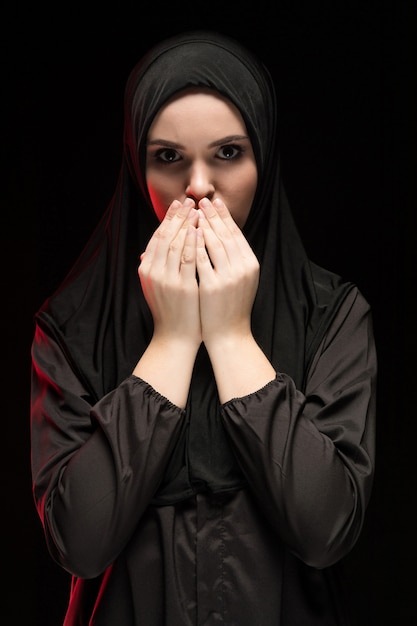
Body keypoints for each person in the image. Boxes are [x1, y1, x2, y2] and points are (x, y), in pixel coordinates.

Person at [30, 30, 377, 626]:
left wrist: (231, 337)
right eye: (168, 157)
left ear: (263, 160)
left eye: (227, 153)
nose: (196, 186)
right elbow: (80, 544)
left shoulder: (332, 314)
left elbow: (326, 530)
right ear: (136, 163)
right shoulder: (71, 327)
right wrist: (170, 341)